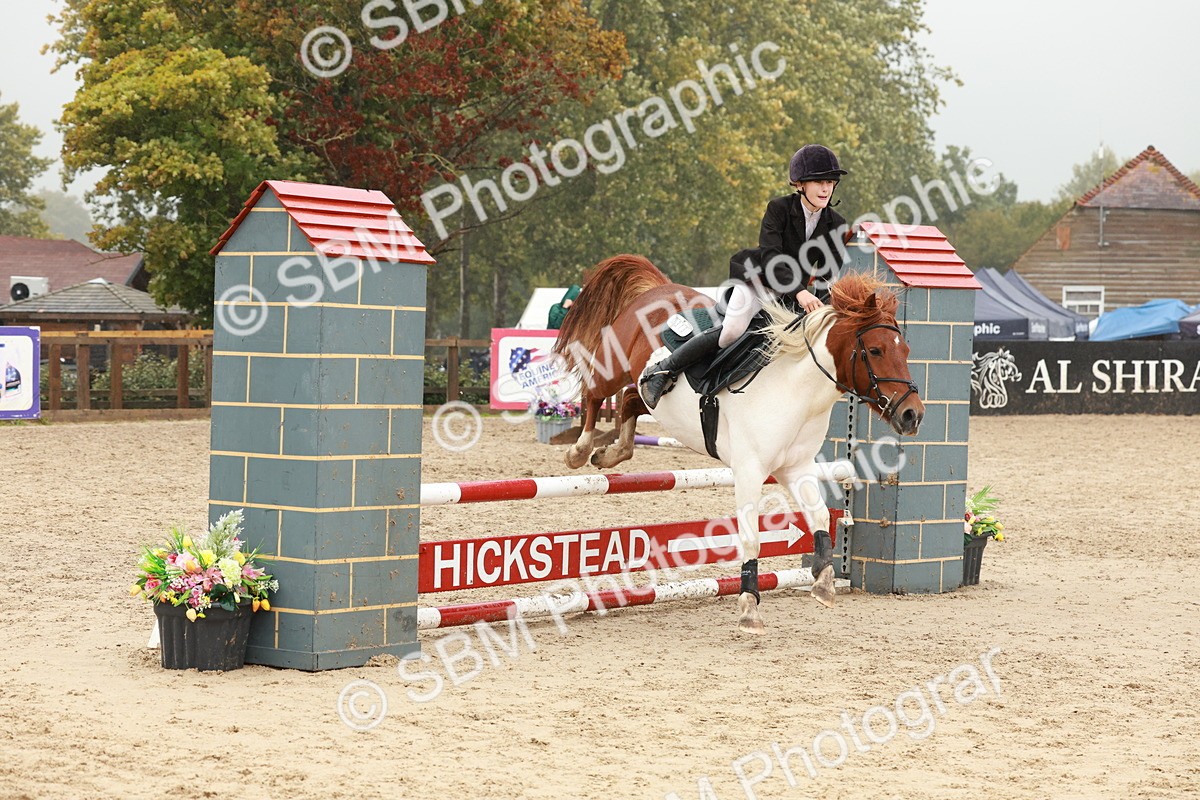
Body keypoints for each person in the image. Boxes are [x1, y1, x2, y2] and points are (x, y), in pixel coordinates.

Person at [640, 144, 850, 408]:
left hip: (793, 295)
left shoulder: (837, 223)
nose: (826, 189)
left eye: (831, 182)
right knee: (732, 331)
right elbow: (772, 258)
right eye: (819, 182)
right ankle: (662, 371)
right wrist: (800, 291)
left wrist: (820, 305)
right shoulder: (778, 209)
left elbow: (828, 273)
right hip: (758, 280)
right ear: (800, 184)